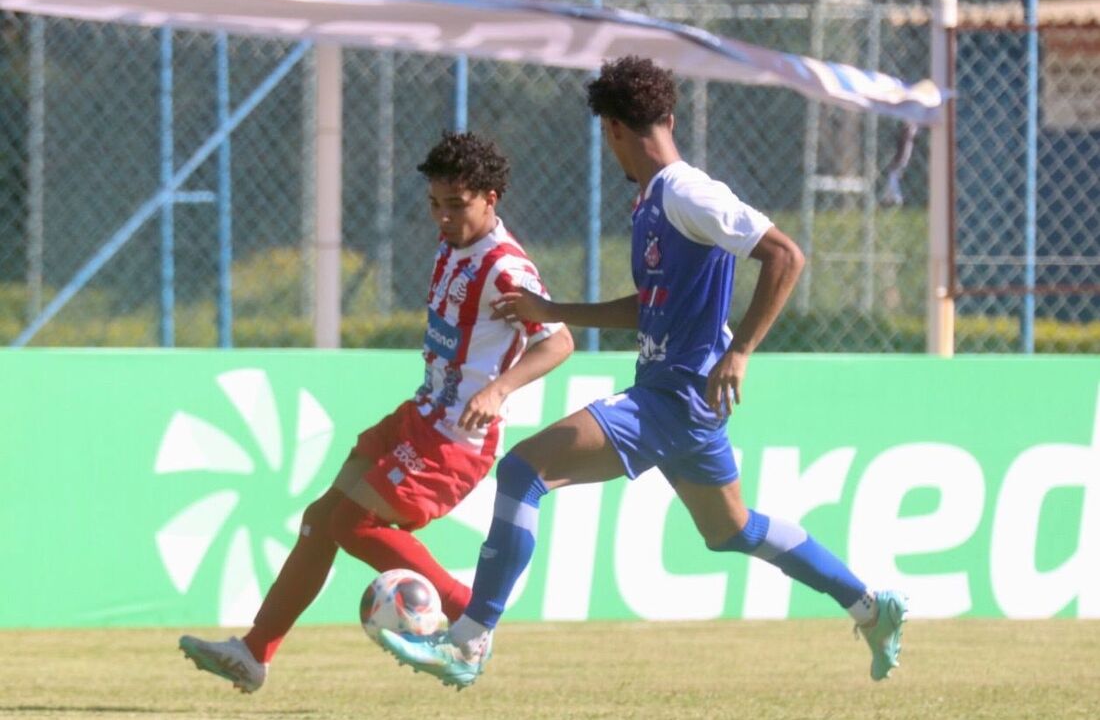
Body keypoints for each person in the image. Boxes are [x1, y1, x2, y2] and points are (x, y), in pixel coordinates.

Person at [378, 56, 907, 689]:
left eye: (607, 135)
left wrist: (741, 352)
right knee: (732, 529)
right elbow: (648, 307)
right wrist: (552, 310)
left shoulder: (687, 192)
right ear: (668, 117)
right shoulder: (654, 202)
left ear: (613, 130)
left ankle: (467, 642)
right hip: (680, 399)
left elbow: (785, 256)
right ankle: (870, 607)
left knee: (523, 471)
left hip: (678, 396)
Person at [179, 130, 574, 693]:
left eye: (456, 205)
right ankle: (253, 652)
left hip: (457, 436)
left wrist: (499, 390)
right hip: (418, 415)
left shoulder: (505, 268)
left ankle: (471, 617)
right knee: (322, 518)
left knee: (353, 523)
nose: (442, 217)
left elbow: (558, 342)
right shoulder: (452, 246)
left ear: (491, 197)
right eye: (435, 204)